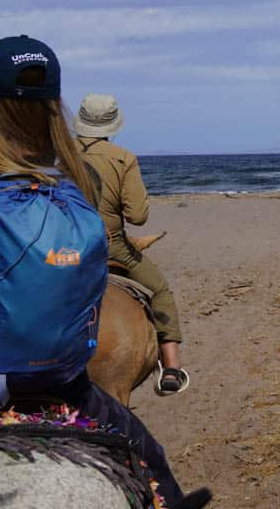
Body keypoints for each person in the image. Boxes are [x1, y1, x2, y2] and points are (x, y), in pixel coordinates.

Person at [0, 34, 208, 507]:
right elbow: (138, 215)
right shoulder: (82, 173)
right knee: (152, 465)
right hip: (64, 376)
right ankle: (172, 367)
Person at [76, 93, 189, 396]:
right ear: (112, 125)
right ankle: (171, 367)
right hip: (112, 247)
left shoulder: (60, 157)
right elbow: (138, 216)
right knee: (160, 290)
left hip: (62, 249)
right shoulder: (123, 158)